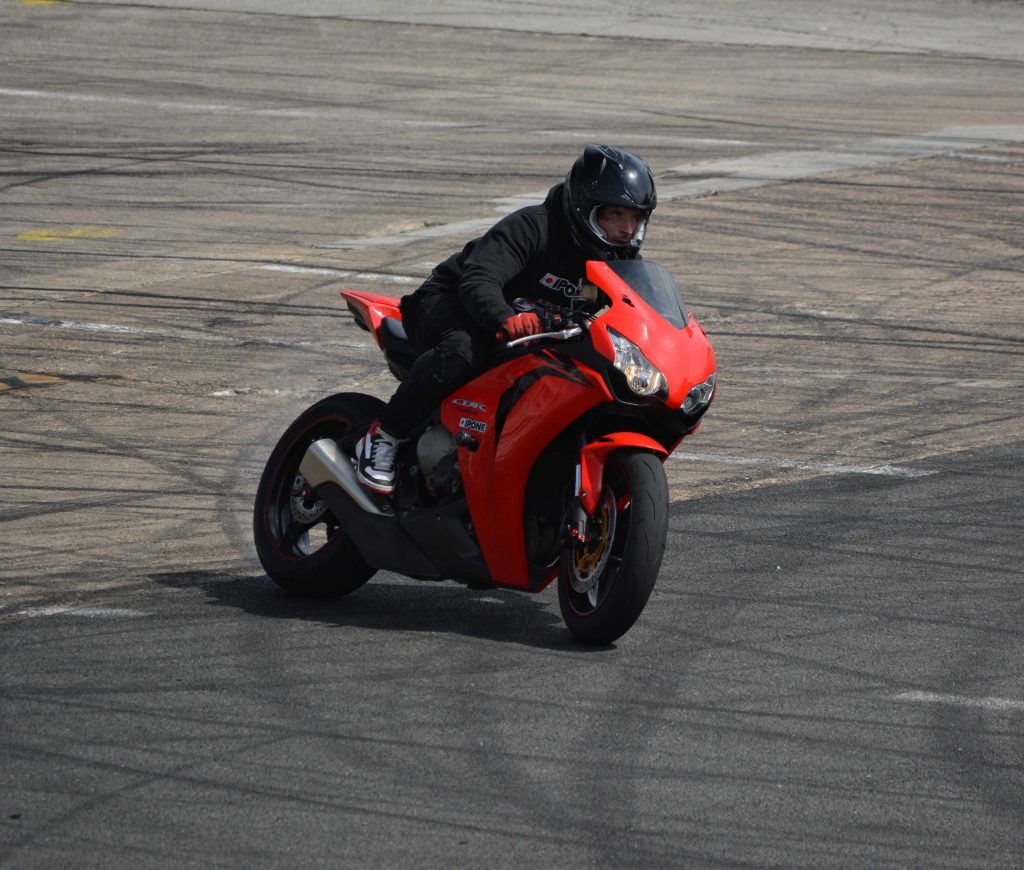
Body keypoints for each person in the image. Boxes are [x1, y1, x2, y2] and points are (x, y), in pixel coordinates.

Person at [356, 144, 658, 494]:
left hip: (532, 332)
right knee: (465, 348)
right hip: (449, 302)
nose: (626, 228)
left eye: (634, 218)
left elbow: (641, 308)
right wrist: (503, 315)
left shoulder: (620, 258)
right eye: (614, 215)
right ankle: (384, 435)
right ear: (584, 207)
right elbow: (479, 278)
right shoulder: (535, 227)